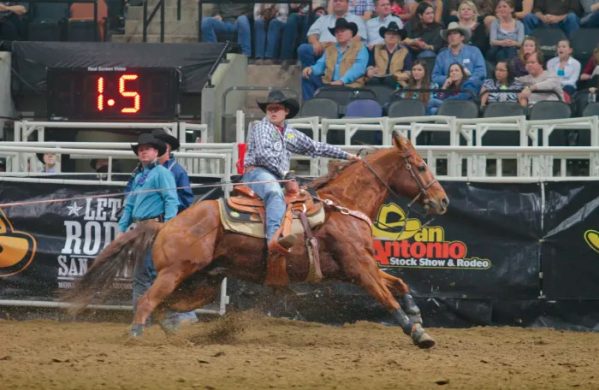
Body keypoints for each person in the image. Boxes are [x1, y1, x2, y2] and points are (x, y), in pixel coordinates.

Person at [243, 89, 360, 286]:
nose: (273, 112)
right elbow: (263, 155)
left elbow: (315, 147)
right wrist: (285, 175)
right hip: (258, 173)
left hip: (277, 175)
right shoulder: (261, 128)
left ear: (286, 111)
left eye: (277, 109)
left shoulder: (289, 134)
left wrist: (347, 156)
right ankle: (274, 241)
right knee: (273, 192)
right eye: (270, 109)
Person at [118, 133, 180, 332]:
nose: (144, 151)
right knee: (146, 277)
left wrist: (168, 227)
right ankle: (161, 322)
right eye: (141, 149)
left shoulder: (161, 173)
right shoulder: (139, 177)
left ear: (156, 152)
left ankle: (142, 324)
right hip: (142, 228)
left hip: (154, 228)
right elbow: (129, 205)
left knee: (146, 277)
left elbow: (171, 199)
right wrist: (121, 229)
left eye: (148, 148)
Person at [301, 17, 369, 100]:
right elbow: (320, 65)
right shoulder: (330, 49)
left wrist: (342, 81)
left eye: (342, 31)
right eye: (337, 32)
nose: (339, 34)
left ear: (351, 33)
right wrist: (311, 69)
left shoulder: (360, 47)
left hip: (349, 85)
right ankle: (309, 106)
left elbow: (359, 68)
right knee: (307, 76)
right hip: (329, 83)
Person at [297, 0, 367, 68]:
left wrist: (335, 45)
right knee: (303, 49)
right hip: (322, 50)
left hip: (344, 52)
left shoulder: (356, 19)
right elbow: (311, 34)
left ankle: (316, 76)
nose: (338, 3)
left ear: (347, 4)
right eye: (335, 1)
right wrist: (315, 42)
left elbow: (357, 38)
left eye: (341, 1)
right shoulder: (323, 19)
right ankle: (312, 73)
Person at [432, 22, 486, 92]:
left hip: (470, 89)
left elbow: (481, 72)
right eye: (449, 34)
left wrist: (465, 79)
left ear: (462, 37)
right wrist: (451, 78)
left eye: (455, 33)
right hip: (449, 90)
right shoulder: (441, 56)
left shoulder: (474, 51)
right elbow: (435, 77)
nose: (452, 36)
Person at [366, 22, 411, 88]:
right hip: (377, 80)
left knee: (391, 81)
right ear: (384, 36)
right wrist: (370, 71)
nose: (391, 36)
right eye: (388, 34)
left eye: (394, 34)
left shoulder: (405, 52)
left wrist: (396, 76)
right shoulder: (375, 48)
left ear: (399, 37)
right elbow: (370, 65)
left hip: (396, 82)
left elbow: (408, 72)